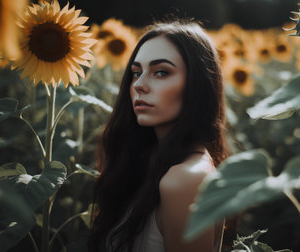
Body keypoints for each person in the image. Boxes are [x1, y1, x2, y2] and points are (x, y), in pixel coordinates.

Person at [89, 19, 229, 252]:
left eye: (161, 72)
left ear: (197, 84)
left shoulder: (184, 179)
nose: (139, 85)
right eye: (136, 73)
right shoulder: (153, 160)